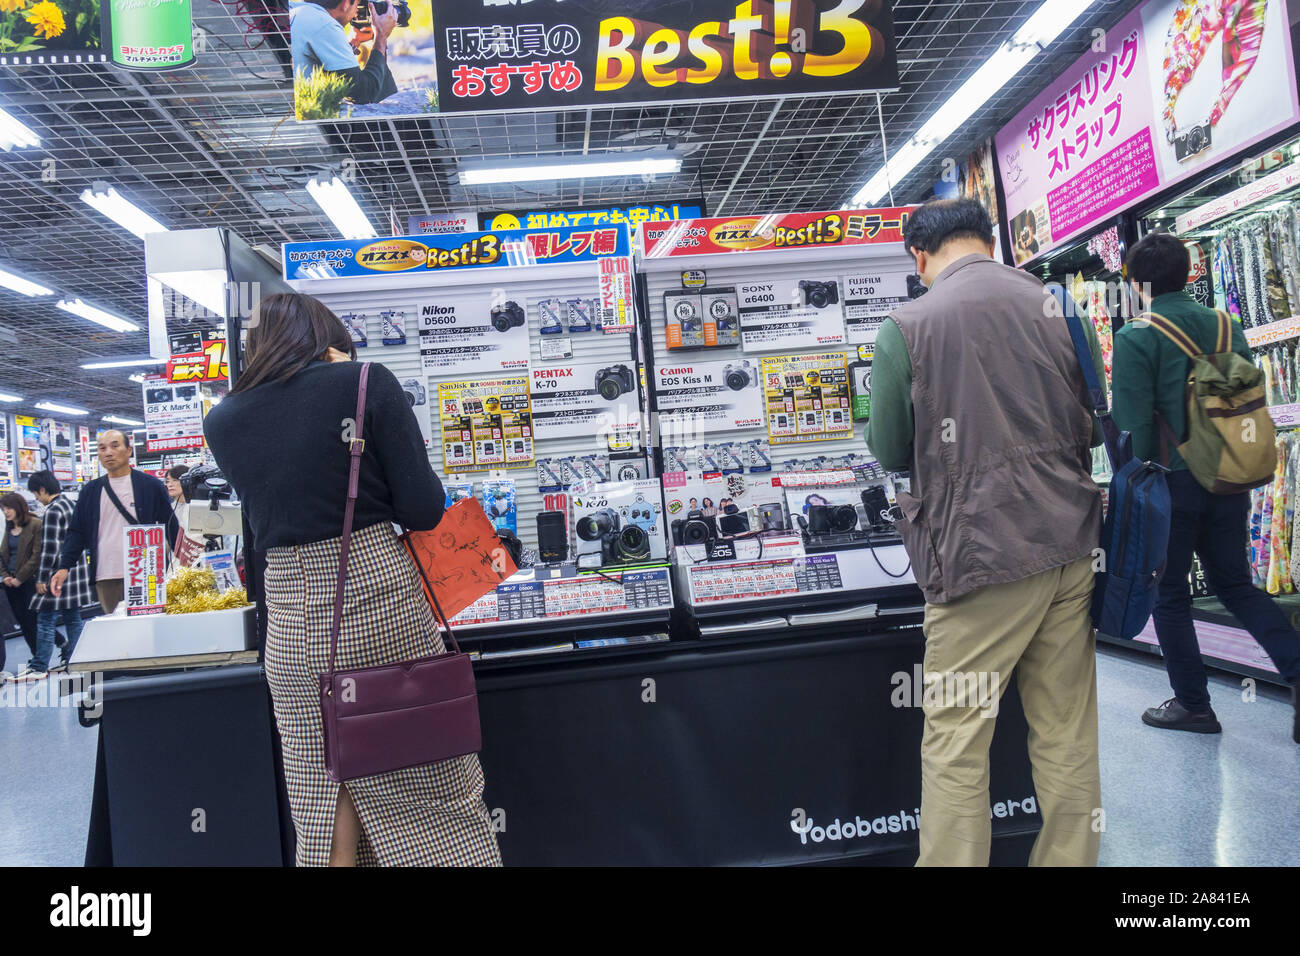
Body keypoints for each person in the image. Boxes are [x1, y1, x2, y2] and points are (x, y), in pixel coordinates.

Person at [203, 292, 501, 868]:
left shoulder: (223, 421)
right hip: (374, 594)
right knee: (424, 779)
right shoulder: (366, 383)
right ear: (326, 337)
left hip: (287, 615)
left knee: (323, 779)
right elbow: (421, 508)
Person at [867, 198, 1107, 867]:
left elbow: (890, 447)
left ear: (919, 257)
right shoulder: (1053, 302)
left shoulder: (908, 326)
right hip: (1068, 539)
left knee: (957, 740)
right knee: (1066, 731)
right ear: (986, 239)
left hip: (977, 556)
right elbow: (1088, 411)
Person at [1111, 232, 1300, 742]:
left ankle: (1193, 705)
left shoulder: (1136, 336)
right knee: (1234, 584)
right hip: (1229, 472)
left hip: (1171, 482)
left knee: (1169, 594)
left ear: (1136, 283)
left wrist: (1134, 487)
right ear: (1188, 273)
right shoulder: (1226, 324)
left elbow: (1132, 425)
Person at [49, 431, 176, 615]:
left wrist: (182, 562)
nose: (108, 452)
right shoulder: (90, 491)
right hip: (105, 574)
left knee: (149, 629)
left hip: (147, 573)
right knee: (116, 634)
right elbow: (76, 532)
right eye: (102, 448)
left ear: (129, 450)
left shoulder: (150, 485)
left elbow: (170, 525)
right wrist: (64, 566)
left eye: (115, 446)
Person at [23, 471, 88, 679]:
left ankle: (39, 666)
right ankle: (76, 660)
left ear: (42, 490)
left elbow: (49, 548)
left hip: (56, 575)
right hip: (75, 571)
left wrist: (42, 578)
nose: (36, 498)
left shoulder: (52, 511)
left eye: (35, 493)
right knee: (73, 618)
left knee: (45, 619)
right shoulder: (70, 505)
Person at [290, 0, 398, 105]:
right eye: (357, 4)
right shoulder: (324, 24)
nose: (356, 11)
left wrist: (353, 41)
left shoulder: (294, 9)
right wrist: (381, 36)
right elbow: (364, 94)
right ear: (346, 3)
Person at [1, 493, 43, 679]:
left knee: (34, 620)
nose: (6, 512)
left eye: (8, 508)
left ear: (18, 506)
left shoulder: (35, 524)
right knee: (23, 622)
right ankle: (36, 658)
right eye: (3, 508)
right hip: (9, 582)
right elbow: (1, 554)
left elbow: (36, 555)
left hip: (28, 581)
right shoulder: (7, 529)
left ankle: (44, 657)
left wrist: (19, 577)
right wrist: (5, 576)